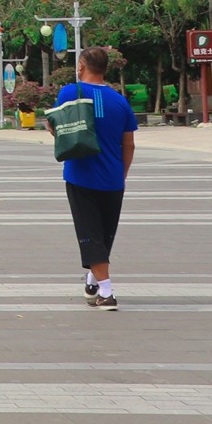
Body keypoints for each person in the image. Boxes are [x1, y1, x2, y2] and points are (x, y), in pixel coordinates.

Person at [50, 48, 136, 311]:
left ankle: (107, 293)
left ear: (82, 65)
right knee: (104, 234)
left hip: (81, 176)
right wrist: (122, 173)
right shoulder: (120, 101)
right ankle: (92, 281)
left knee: (90, 234)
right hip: (113, 179)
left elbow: (59, 129)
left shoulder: (70, 92)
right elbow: (129, 144)